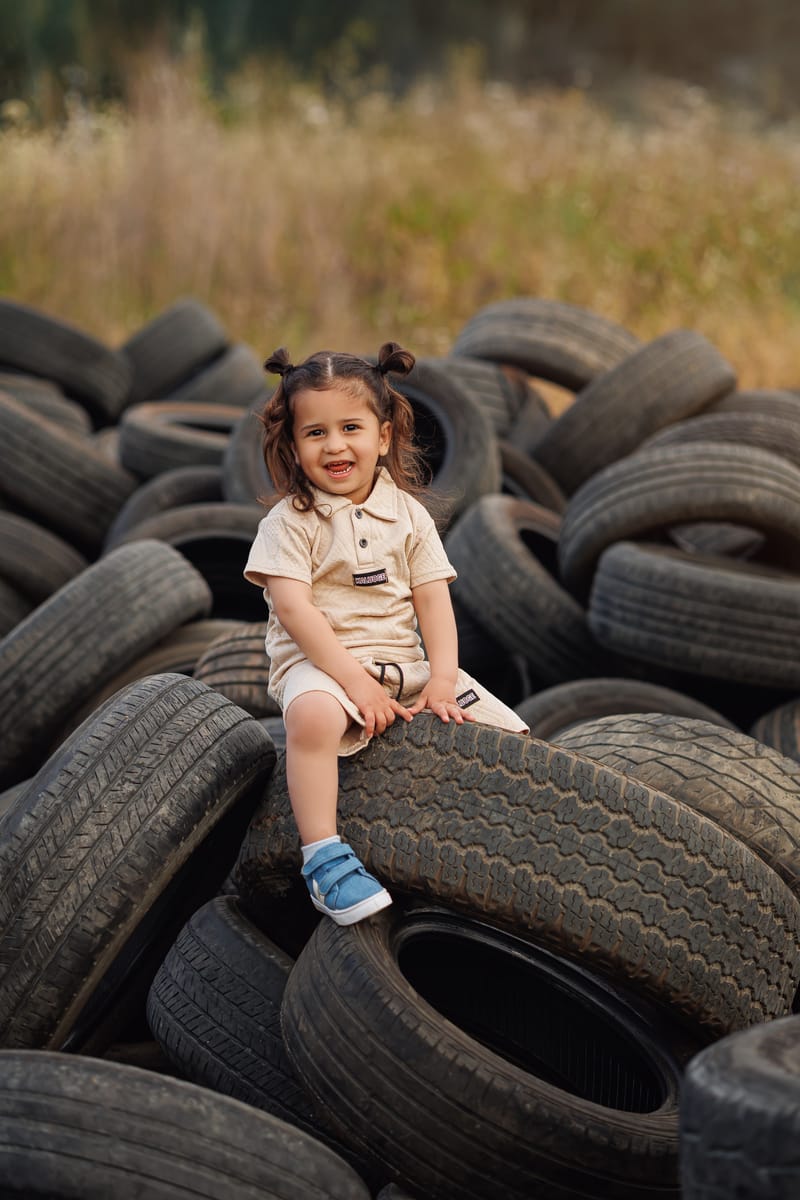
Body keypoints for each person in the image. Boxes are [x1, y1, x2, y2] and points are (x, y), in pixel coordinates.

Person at [244, 341, 529, 927]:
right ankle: (323, 858)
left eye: (350, 427)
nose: (335, 445)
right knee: (315, 718)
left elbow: (433, 600)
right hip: (320, 665)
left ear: (384, 435)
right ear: (293, 447)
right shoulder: (288, 523)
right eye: (315, 433)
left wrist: (443, 682)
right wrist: (355, 683)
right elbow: (295, 612)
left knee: (514, 739)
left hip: (403, 665)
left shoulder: (409, 514)